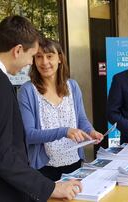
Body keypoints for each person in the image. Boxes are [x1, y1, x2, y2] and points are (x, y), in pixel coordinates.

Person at [0, 16, 82, 202]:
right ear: (18, 50)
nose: (31, 63)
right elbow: (1, 154)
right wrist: (49, 187)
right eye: (32, 56)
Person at [18, 38, 104, 181]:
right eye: (39, 57)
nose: (44, 62)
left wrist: (91, 132)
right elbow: (29, 134)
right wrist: (64, 131)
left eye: (49, 56)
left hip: (74, 163)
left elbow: (81, 119)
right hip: (44, 169)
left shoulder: (73, 86)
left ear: (60, 58)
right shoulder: (27, 91)